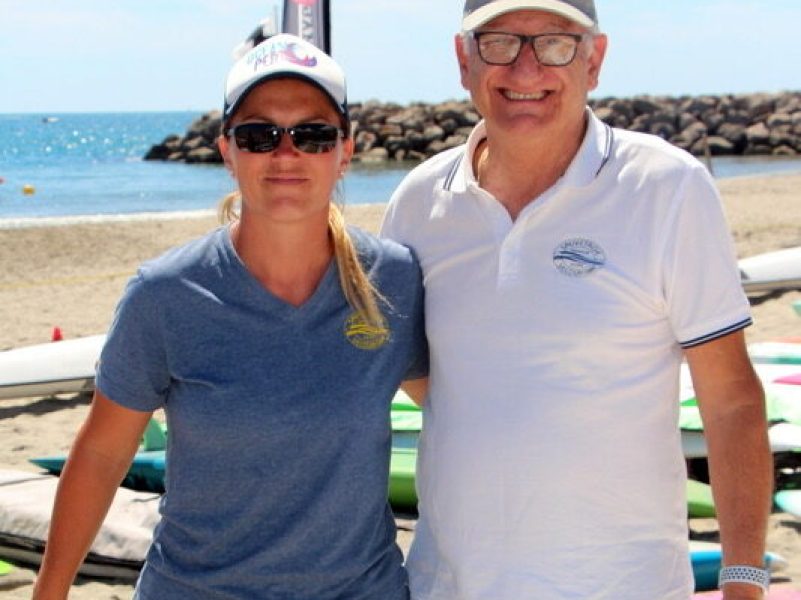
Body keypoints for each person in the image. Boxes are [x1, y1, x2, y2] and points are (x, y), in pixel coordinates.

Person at [382, 1, 772, 598]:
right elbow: (412, 365)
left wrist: (744, 576)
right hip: (449, 583)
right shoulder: (419, 201)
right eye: (501, 43)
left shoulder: (667, 187)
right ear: (464, 59)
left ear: (596, 60)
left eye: (556, 43)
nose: (526, 69)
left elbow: (731, 403)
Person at [33, 33, 427, 600]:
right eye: (259, 135)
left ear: (346, 150)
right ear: (227, 150)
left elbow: (455, 409)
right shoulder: (165, 295)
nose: (286, 154)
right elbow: (100, 455)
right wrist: (50, 592)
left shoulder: (393, 280)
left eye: (313, 135)